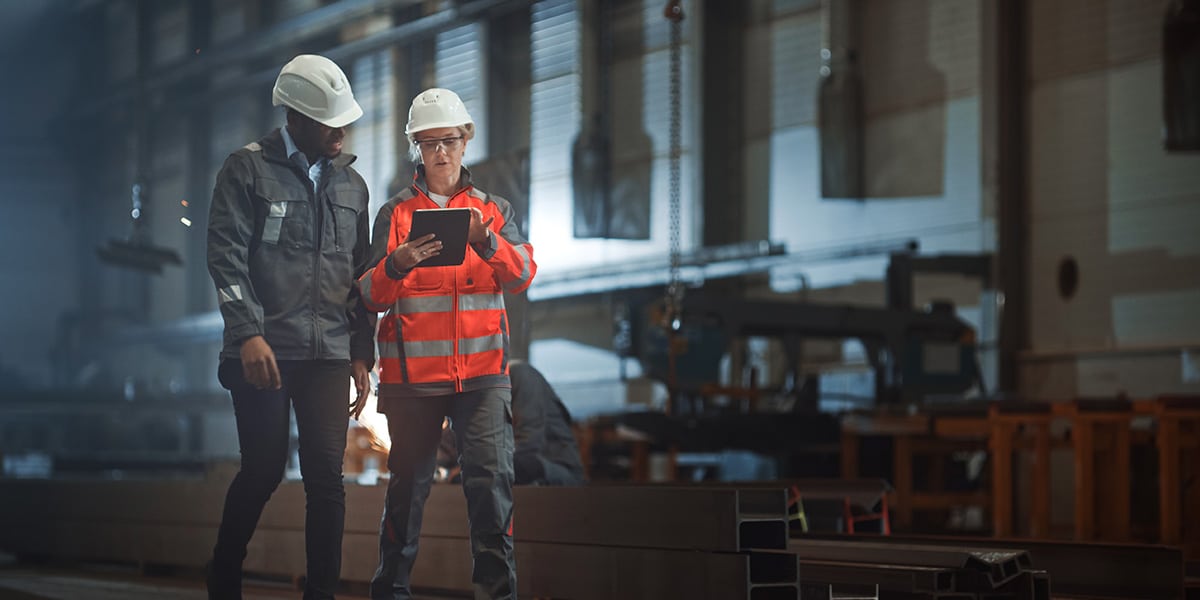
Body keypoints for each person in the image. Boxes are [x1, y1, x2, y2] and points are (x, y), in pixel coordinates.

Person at [205, 54, 374, 600]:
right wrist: (249, 333)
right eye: (330, 121)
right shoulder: (246, 170)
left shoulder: (353, 186)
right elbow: (225, 258)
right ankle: (223, 578)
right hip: (264, 351)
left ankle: (320, 595)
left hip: (328, 352)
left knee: (327, 478)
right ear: (296, 119)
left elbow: (360, 276)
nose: (341, 130)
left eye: (344, 120)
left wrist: (360, 351)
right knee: (263, 469)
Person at [359, 87, 536, 600]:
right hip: (414, 383)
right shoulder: (394, 216)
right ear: (416, 145)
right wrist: (397, 264)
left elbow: (523, 273)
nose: (441, 152)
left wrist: (487, 241)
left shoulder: (494, 211)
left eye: (451, 140)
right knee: (406, 498)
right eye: (430, 142)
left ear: (467, 140)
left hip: (482, 379)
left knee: (491, 494)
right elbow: (368, 294)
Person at [437, 360, 585, 486]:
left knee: (523, 465)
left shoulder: (520, 376)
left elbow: (528, 447)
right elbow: (449, 449)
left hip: (556, 469)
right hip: (512, 467)